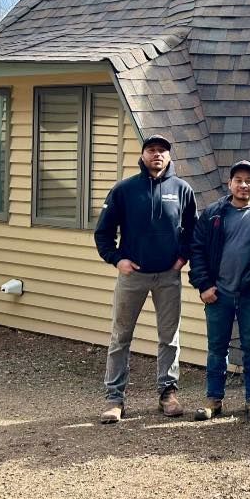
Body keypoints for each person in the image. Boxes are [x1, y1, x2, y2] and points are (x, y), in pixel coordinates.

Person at [93, 134, 197, 424]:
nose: (157, 155)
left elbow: (192, 231)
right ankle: (115, 399)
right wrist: (117, 259)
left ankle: (168, 393)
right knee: (120, 337)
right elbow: (103, 233)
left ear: (169, 157)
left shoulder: (182, 190)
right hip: (133, 276)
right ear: (142, 155)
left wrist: (182, 258)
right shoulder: (124, 190)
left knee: (169, 337)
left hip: (168, 276)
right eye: (152, 150)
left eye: (162, 150)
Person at [188, 160, 250, 421]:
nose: (244, 185)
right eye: (239, 180)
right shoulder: (212, 213)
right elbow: (197, 250)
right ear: (230, 184)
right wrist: (204, 285)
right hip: (217, 293)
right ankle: (214, 399)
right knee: (216, 348)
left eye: (249, 181)